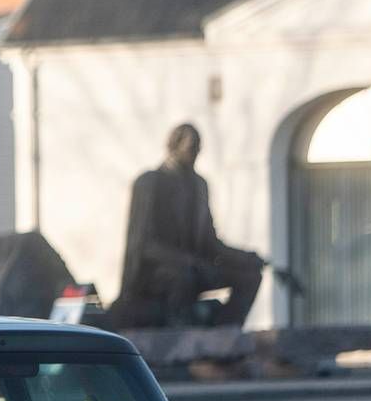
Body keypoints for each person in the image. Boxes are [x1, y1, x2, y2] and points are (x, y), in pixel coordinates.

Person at [112, 123, 267, 328]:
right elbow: (144, 244)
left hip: (196, 267)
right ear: (174, 147)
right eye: (190, 148)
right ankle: (179, 333)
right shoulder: (150, 182)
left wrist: (246, 257)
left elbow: (210, 242)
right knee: (182, 277)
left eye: (197, 149)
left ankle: (224, 333)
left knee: (248, 276)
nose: (195, 154)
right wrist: (189, 262)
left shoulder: (199, 185)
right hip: (156, 272)